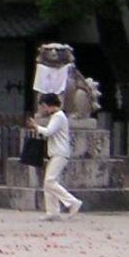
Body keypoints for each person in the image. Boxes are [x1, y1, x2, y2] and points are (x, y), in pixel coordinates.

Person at [29, 91, 83, 219]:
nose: (44, 109)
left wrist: (36, 127)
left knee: (50, 181)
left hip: (60, 152)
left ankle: (72, 202)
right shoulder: (57, 116)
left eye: (44, 106)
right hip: (57, 152)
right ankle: (52, 212)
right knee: (49, 182)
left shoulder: (59, 116)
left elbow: (48, 132)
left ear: (50, 105)